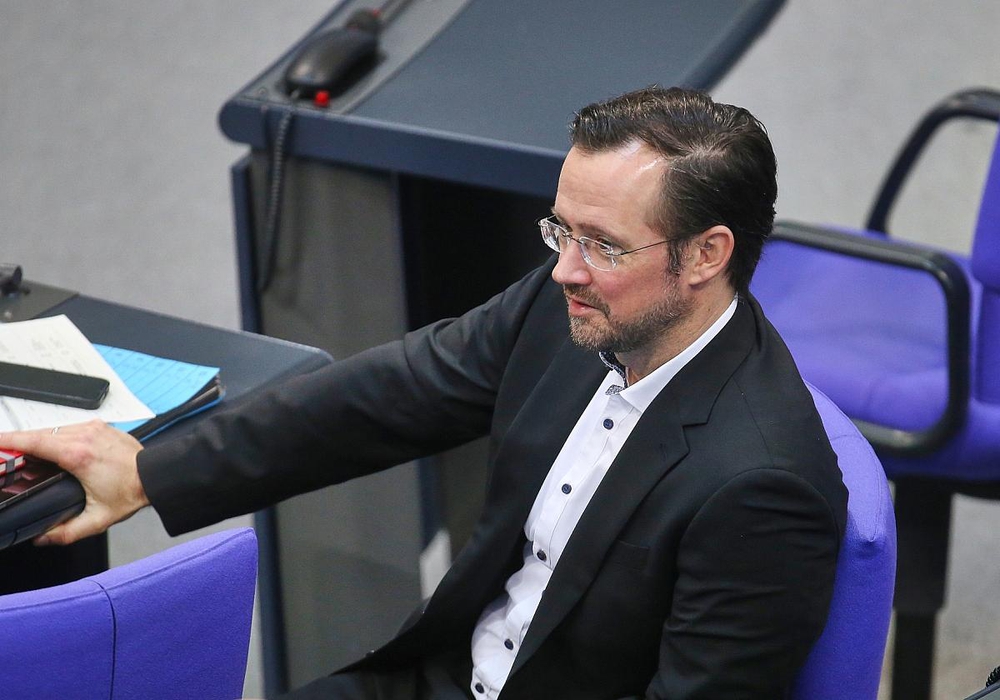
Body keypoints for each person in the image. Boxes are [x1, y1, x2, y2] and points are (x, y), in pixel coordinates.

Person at [0, 86, 847, 700]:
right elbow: (391, 394)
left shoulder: (765, 487)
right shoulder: (574, 309)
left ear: (705, 255)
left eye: (602, 245)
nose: (565, 269)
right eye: (560, 230)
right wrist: (150, 473)